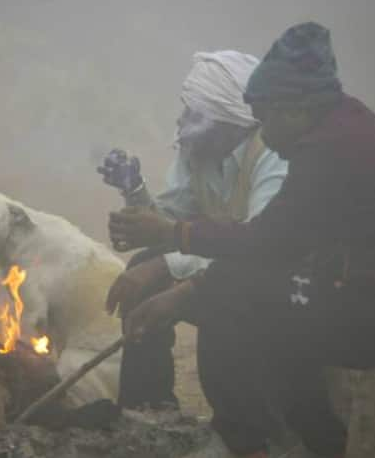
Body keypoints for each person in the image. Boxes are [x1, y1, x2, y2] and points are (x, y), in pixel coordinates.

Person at [108, 22, 375, 458]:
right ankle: (148, 407)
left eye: (266, 118)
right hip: (325, 281)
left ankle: (247, 442)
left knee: (228, 295)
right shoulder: (333, 127)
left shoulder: (314, 153)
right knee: (200, 279)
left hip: (360, 304)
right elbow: (255, 240)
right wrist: (145, 209)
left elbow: (267, 243)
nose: (264, 131)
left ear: (293, 110)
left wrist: (180, 274)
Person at [103, 50, 288, 410]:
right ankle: (148, 407)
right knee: (144, 264)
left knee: (215, 297)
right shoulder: (199, 150)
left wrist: (165, 268)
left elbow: (261, 248)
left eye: (194, 113)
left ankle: (241, 430)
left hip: (272, 281)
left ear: (229, 119)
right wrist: (134, 190)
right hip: (226, 262)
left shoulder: (273, 156)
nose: (182, 120)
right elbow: (168, 224)